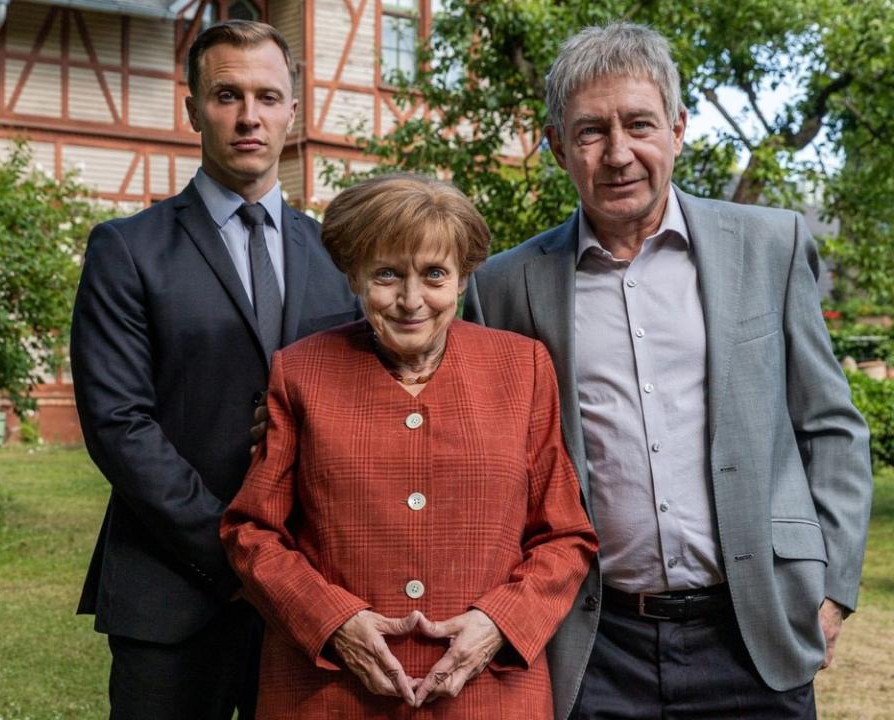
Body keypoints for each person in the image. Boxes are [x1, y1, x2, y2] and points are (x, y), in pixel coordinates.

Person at [464, 21, 873, 720]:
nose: (618, 153)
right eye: (591, 131)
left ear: (678, 129)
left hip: (756, 636)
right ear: (557, 146)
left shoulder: (771, 244)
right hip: (596, 644)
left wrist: (831, 590)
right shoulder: (504, 287)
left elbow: (830, 427)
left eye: (639, 124)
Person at [220, 174, 598, 719]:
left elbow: (565, 535)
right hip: (330, 693)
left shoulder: (524, 369)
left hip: (486, 693)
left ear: (464, 279)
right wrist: (332, 622)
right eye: (387, 275)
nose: (410, 300)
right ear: (354, 276)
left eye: (434, 274)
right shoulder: (300, 371)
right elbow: (251, 531)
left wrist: (499, 623)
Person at [70, 20, 359, 719]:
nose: (249, 116)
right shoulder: (127, 250)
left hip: (306, 597)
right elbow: (118, 425)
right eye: (227, 95)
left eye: (268, 96)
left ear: (294, 112)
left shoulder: (337, 253)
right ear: (193, 107)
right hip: (171, 593)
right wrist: (237, 554)